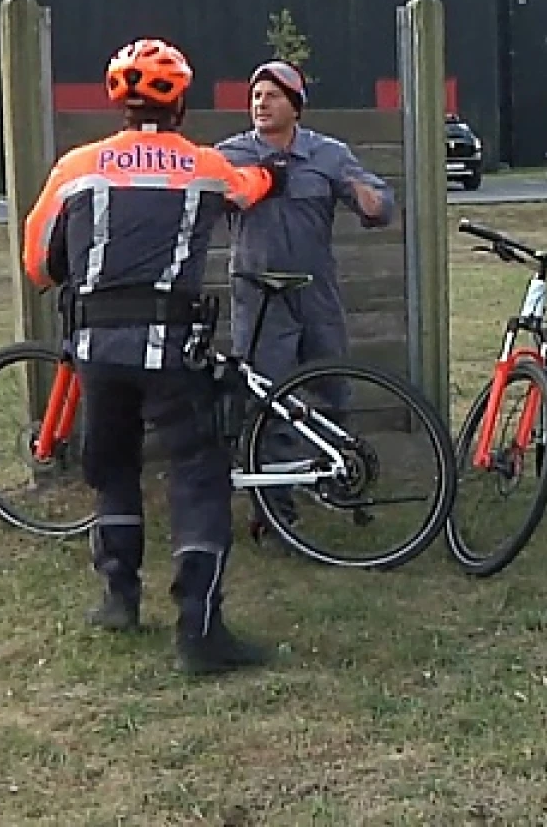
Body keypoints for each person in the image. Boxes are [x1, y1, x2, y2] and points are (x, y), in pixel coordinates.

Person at [21, 36, 288, 675]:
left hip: (97, 351)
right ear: (181, 105)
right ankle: (199, 630)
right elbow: (254, 186)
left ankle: (120, 597)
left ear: (117, 102)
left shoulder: (76, 167)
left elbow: (37, 266)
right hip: (172, 349)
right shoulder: (204, 168)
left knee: (112, 464)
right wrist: (273, 172)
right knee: (197, 472)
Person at [215, 59, 397, 546]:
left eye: (271, 95)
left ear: (294, 104)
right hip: (257, 294)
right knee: (267, 397)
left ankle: (340, 482)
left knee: (333, 388)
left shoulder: (328, 154)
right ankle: (275, 514)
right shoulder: (229, 155)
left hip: (315, 291)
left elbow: (380, 204)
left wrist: (365, 195)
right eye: (255, 96)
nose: (260, 103)